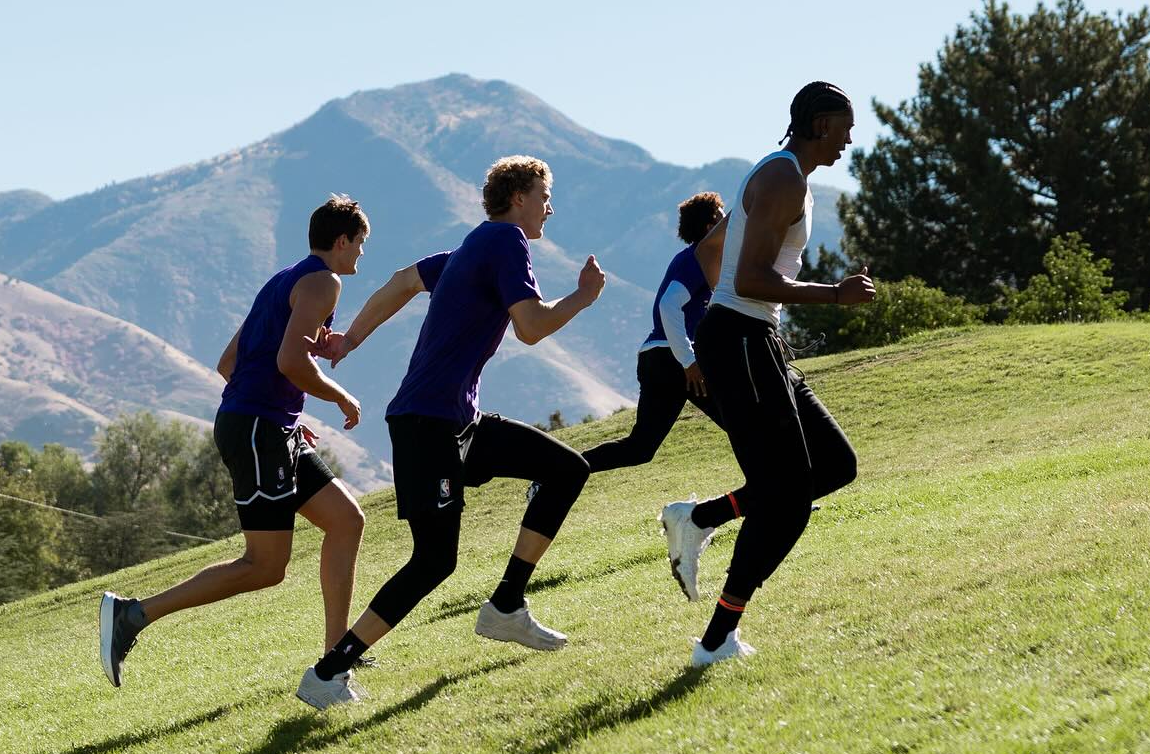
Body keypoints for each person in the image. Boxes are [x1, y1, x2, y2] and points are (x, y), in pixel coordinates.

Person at [296, 155, 606, 710]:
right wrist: (583, 297)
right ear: (516, 198)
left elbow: (400, 282)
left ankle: (507, 604)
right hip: (427, 423)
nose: (548, 207)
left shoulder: (470, 249)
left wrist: (348, 341)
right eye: (543, 195)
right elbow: (531, 327)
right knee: (434, 560)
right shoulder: (506, 242)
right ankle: (327, 673)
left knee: (566, 468)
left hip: (455, 421)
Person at [98, 195, 371, 688]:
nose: (361, 256)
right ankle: (131, 615)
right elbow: (290, 362)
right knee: (265, 566)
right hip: (257, 430)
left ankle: (337, 656)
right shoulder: (323, 283)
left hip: (266, 426)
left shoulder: (284, 281)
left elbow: (230, 363)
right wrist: (341, 398)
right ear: (341, 240)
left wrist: (284, 414)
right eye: (360, 245)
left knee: (347, 520)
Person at [659, 83, 876, 669]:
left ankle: (699, 518)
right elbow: (750, 278)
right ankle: (715, 641)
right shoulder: (784, 180)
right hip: (742, 341)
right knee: (787, 502)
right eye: (845, 127)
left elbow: (714, 252)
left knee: (834, 464)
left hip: (753, 340)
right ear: (821, 123)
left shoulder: (777, 176)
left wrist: (733, 303)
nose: (850, 140)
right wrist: (835, 294)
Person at [582, 193, 728, 497]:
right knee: (746, 425)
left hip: (655, 357)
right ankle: (780, 496)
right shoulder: (698, 257)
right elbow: (669, 305)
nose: (725, 219)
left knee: (640, 448)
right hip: (672, 358)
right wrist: (688, 361)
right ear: (707, 226)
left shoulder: (692, 258)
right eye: (720, 215)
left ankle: (557, 470)